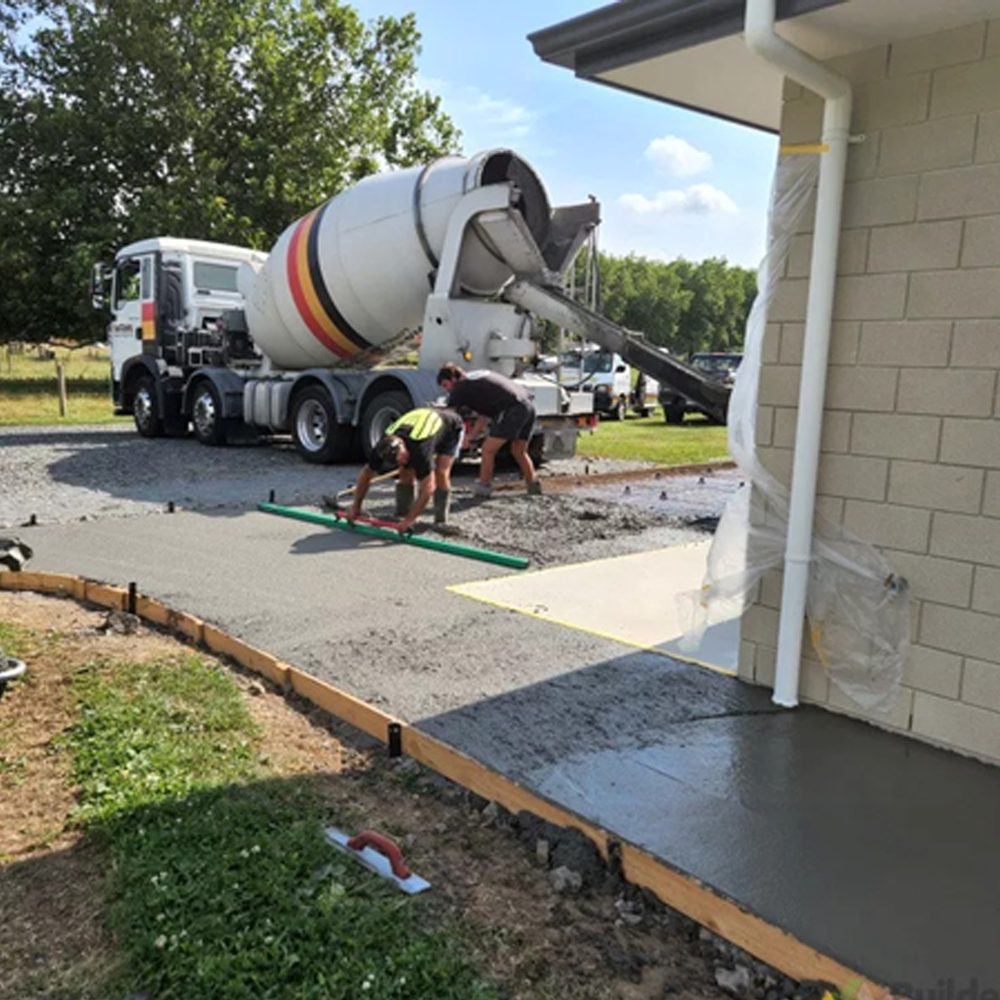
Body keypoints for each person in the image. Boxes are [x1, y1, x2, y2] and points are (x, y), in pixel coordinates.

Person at [346, 406, 464, 532]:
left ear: (403, 445)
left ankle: (440, 520)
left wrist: (410, 520)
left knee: (441, 472)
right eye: (398, 461)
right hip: (421, 422)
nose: (402, 461)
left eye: (403, 456)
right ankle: (401, 514)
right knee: (406, 472)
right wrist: (356, 506)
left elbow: (427, 489)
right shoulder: (383, 445)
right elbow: (366, 474)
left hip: (451, 428)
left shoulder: (420, 447)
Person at [436, 363, 541, 498]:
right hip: (528, 406)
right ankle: (533, 484)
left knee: (488, 449)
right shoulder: (475, 379)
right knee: (518, 450)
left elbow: (450, 416)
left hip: (511, 409)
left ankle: (484, 487)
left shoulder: (460, 387)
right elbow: (483, 417)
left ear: (452, 379)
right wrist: (470, 437)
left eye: (446, 385)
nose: (447, 390)